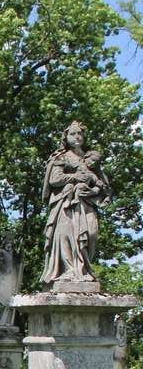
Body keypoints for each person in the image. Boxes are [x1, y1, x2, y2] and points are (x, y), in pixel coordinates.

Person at [40, 122, 110, 287]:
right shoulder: (61, 157)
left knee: (91, 234)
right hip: (65, 202)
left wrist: (96, 192)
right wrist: (74, 178)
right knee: (66, 235)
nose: (77, 136)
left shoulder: (90, 158)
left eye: (80, 134)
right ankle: (69, 271)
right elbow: (54, 180)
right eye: (73, 134)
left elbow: (102, 182)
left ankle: (84, 270)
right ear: (66, 137)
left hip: (86, 202)